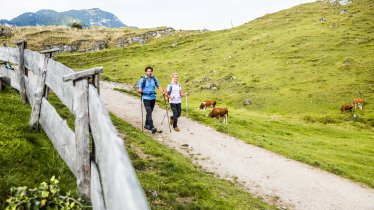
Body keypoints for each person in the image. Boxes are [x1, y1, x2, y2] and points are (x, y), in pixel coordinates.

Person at [137, 66, 165, 133]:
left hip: (153, 98)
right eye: (148, 71)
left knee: (150, 112)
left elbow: (158, 86)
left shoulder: (154, 78)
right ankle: (152, 127)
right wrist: (140, 90)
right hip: (146, 98)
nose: (149, 72)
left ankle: (146, 125)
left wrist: (162, 91)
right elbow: (138, 89)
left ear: (152, 72)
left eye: (150, 71)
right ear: (146, 72)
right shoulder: (142, 79)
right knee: (149, 112)